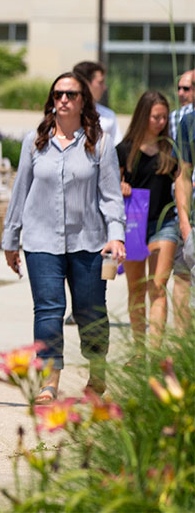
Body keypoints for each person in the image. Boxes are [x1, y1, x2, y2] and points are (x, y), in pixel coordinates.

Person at [2, 71, 126, 404]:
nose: (63, 100)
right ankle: (49, 381)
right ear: (51, 100)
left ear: (83, 100)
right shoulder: (35, 141)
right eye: (58, 95)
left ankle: (97, 372)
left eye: (70, 94)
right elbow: (20, 192)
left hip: (89, 242)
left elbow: (111, 196)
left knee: (90, 311)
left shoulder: (98, 143)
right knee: (47, 309)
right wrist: (10, 240)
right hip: (41, 241)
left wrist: (116, 236)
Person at [117, 90, 177, 353]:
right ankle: (139, 350)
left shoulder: (170, 151)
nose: (161, 122)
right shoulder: (125, 150)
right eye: (156, 117)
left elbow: (182, 184)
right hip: (133, 224)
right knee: (136, 288)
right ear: (144, 116)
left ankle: (155, 352)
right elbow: (109, 185)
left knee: (158, 286)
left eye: (164, 117)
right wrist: (120, 185)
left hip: (164, 223)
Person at [168, 70, 194, 331]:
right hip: (188, 213)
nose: (184, 94)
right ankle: (183, 345)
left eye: (189, 88)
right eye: (183, 88)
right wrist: (184, 223)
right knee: (183, 276)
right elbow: (181, 173)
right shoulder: (182, 121)